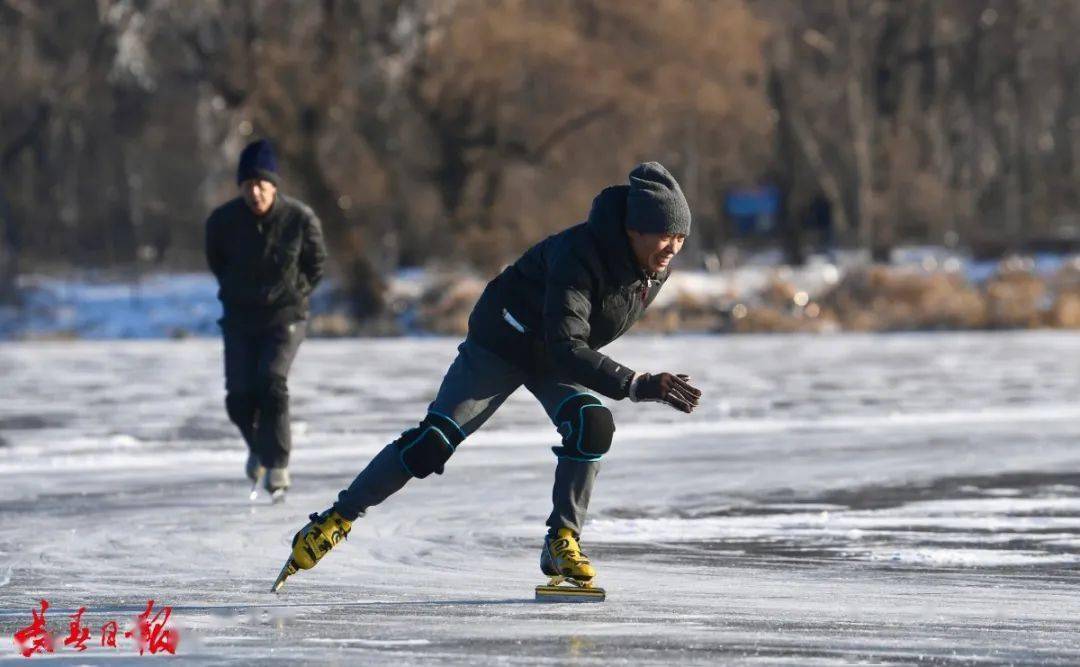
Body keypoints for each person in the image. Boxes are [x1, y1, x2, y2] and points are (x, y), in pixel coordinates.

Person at [273, 162, 700, 591]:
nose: (673, 247)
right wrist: (636, 383)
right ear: (634, 228)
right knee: (431, 444)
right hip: (504, 339)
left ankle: (562, 540)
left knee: (592, 425)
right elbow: (568, 342)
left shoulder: (652, 268)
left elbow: (568, 346)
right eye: (665, 234)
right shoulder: (578, 254)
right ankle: (337, 518)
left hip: (555, 354)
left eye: (680, 237)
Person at [205, 139, 327, 497]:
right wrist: (238, 292)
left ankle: (278, 464)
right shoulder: (222, 221)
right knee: (239, 398)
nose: (255, 192)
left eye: (261, 184)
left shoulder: (300, 218)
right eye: (247, 185)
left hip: (284, 317)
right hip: (240, 319)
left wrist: (293, 293)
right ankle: (259, 447)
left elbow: (316, 264)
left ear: (274, 185)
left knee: (272, 383)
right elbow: (218, 263)